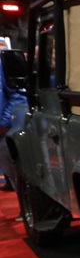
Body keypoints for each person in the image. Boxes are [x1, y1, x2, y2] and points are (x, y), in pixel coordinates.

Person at [0, 54, 28, 193]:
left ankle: (27, 204)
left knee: (17, 175)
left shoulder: (3, 64)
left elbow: (18, 96)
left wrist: (4, 124)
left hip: (4, 131)